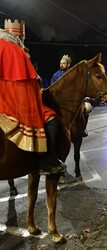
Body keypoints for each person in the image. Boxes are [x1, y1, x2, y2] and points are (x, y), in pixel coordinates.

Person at [0, 19, 65, 175]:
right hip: (14, 101)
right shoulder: (15, 50)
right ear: (19, 37)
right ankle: (48, 160)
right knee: (51, 117)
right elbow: (28, 85)